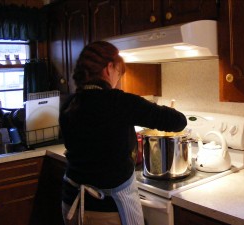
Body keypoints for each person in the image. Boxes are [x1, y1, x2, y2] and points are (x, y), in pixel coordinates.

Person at [59, 41, 187, 225]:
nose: (117, 80)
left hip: (71, 202)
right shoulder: (119, 102)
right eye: (119, 73)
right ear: (109, 68)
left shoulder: (69, 103)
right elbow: (179, 121)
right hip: (107, 208)